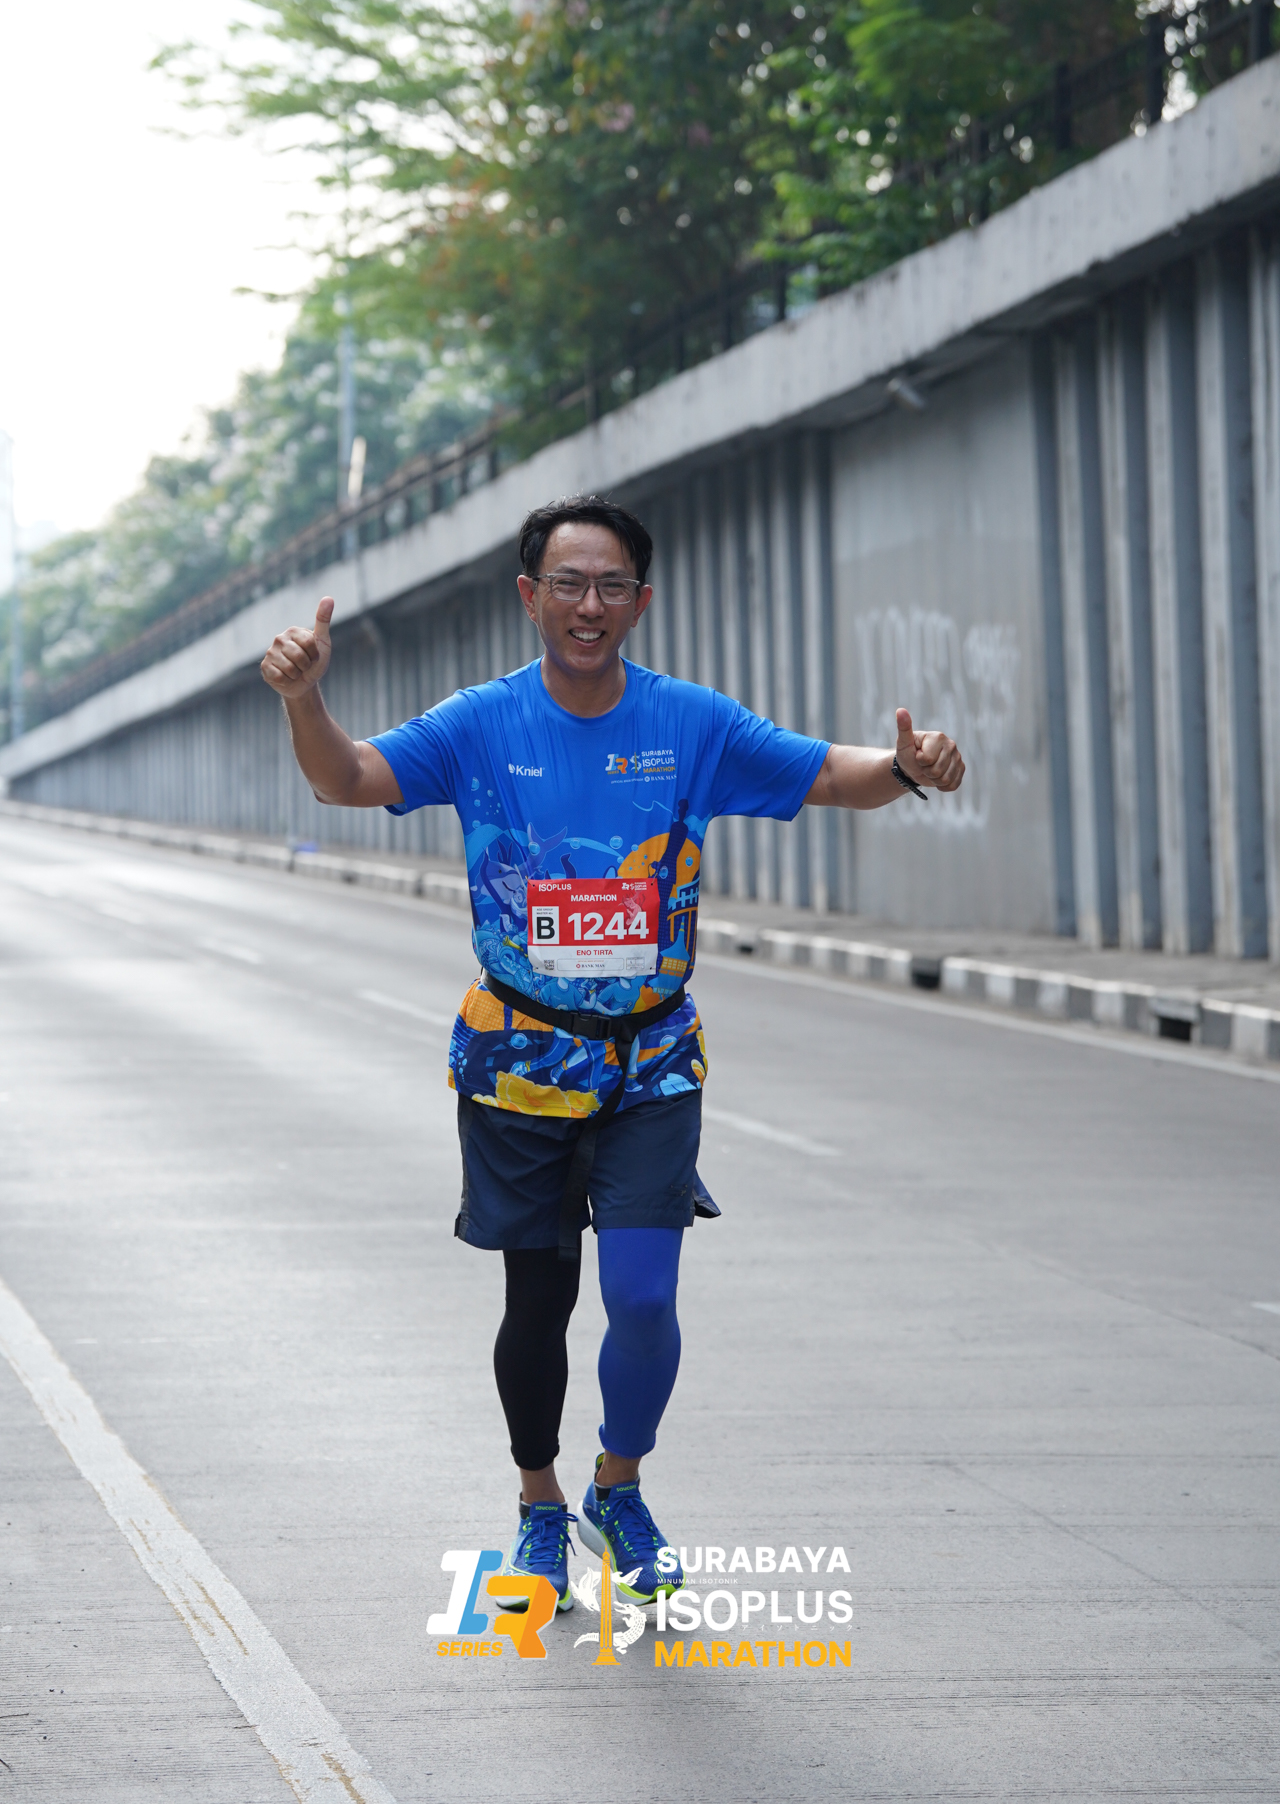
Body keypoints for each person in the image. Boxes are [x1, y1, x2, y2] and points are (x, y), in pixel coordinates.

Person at [260, 493, 964, 1619]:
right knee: (537, 1305)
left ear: (640, 601)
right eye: (568, 584)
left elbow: (835, 774)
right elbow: (343, 778)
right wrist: (305, 701)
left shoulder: (689, 722)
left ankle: (616, 1487)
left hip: (652, 1062)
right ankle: (539, 1501)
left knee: (640, 1297)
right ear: (530, 596)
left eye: (611, 586)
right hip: (520, 1060)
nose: (589, 605)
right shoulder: (480, 725)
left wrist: (911, 765)